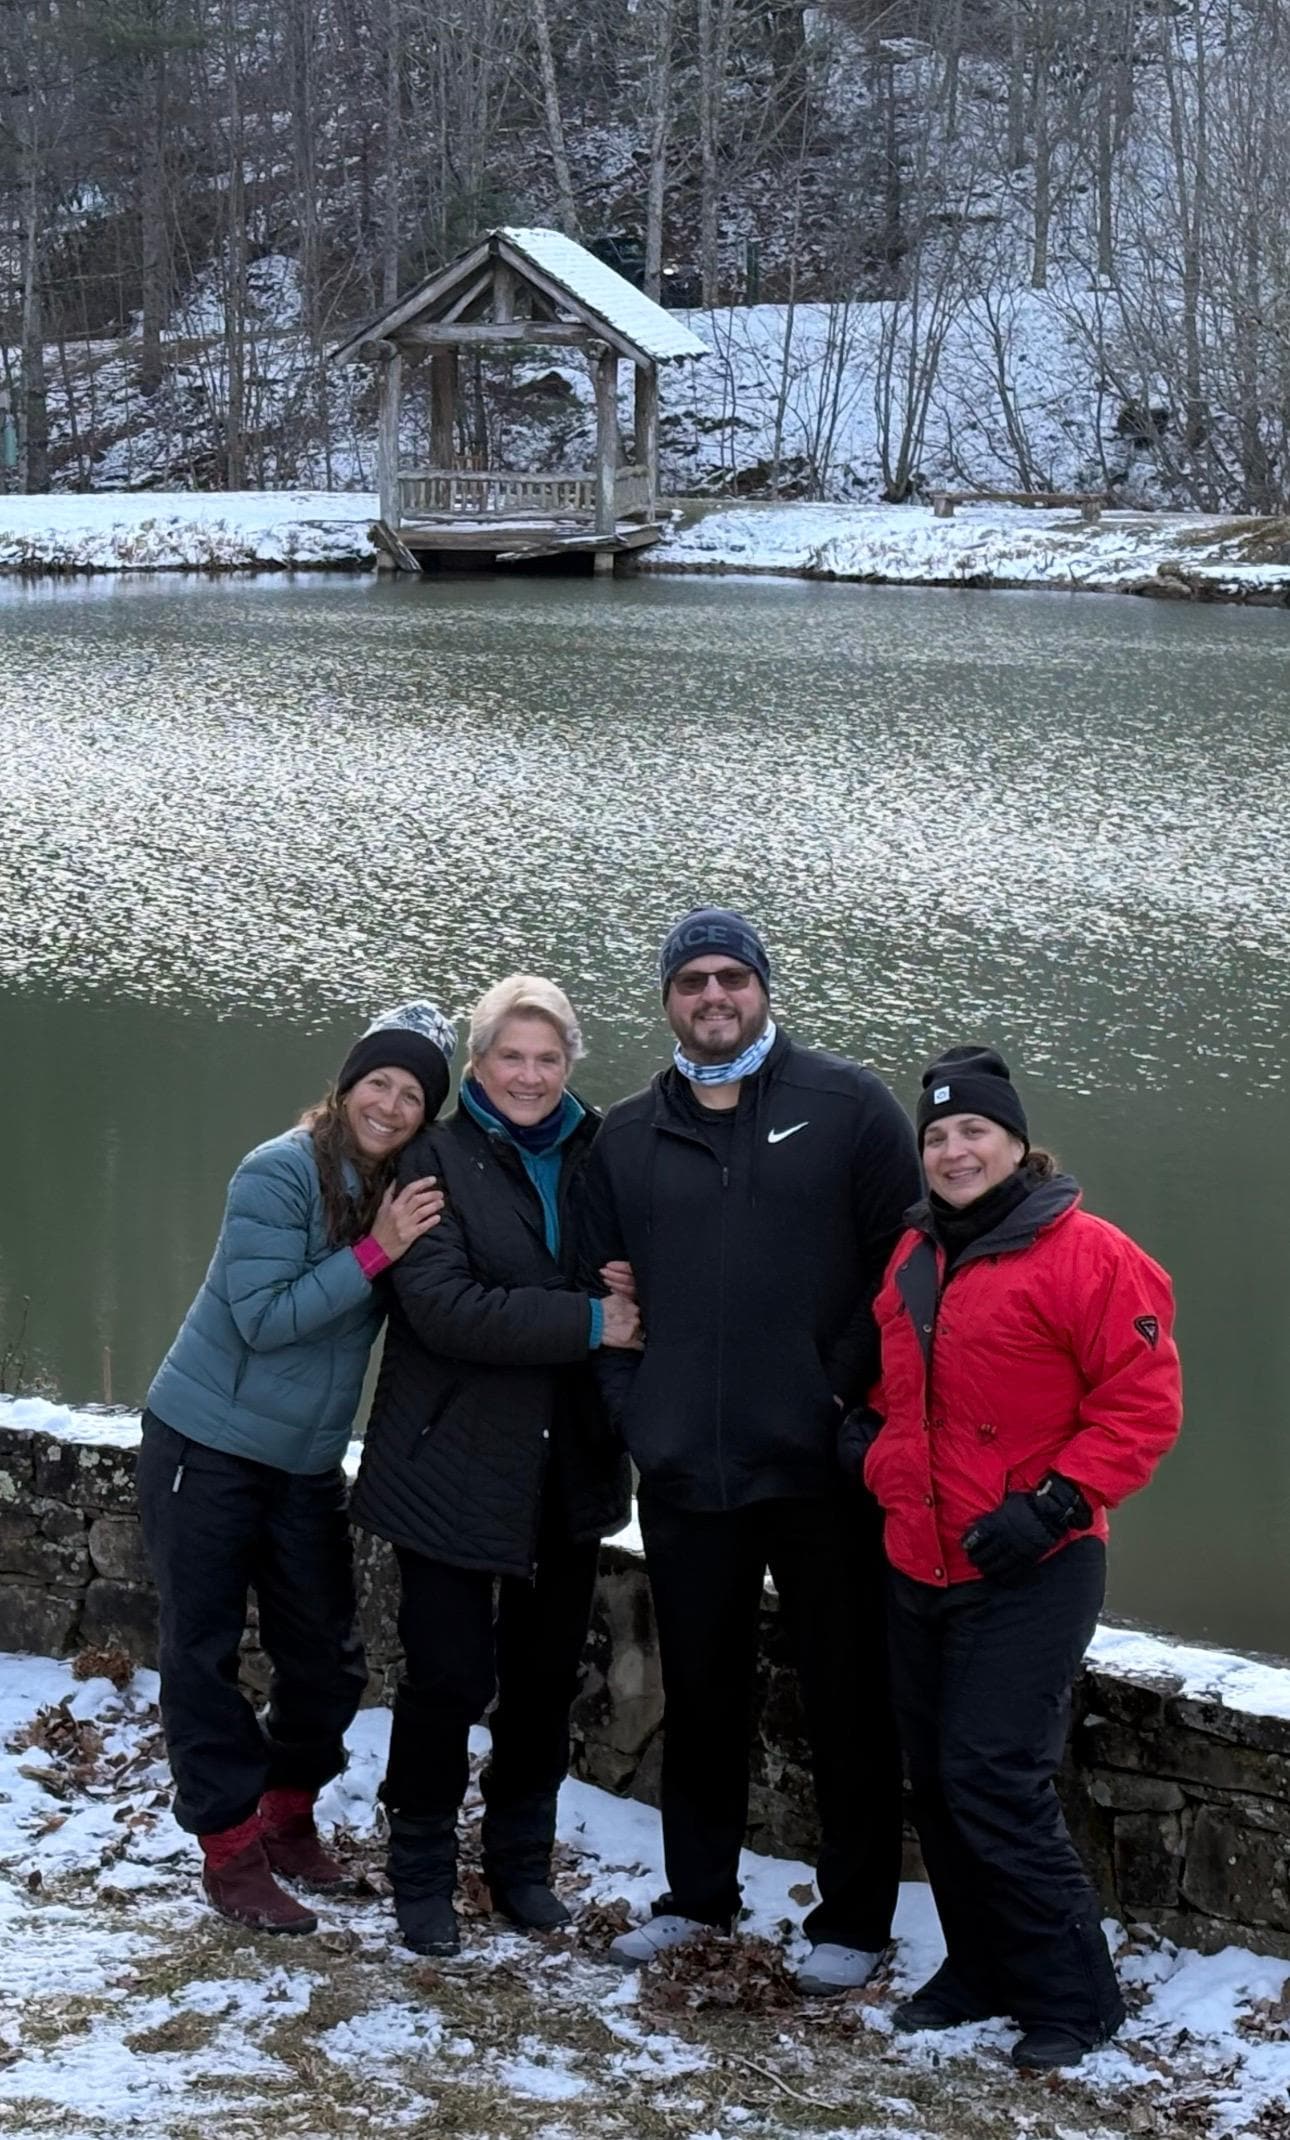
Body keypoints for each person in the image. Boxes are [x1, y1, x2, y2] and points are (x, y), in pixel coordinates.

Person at [580, 907, 921, 1993]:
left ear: (764, 987)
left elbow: (905, 1267)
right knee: (704, 1694)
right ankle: (696, 1899)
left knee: (846, 1699)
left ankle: (857, 1918)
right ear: (668, 1000)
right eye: (692, 982)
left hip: (821, 1471)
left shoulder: (848, 1107)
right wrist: (642, 1411)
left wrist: (835, 1391)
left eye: (732, 977)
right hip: (687, 1474)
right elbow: (601, 1294)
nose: (714, 996)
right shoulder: (624, 1137)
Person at [851, 1044, 1182, 2071]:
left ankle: (1074, 1994)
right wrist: (869, 1453)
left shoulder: (1091, 1254)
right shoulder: (914, 1258)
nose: (953, 1150)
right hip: (921, 1558)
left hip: (1032, 1566)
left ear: (1016, 1143)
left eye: (974, 1132)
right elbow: (900, 1398)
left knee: (993, 1777)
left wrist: (1056, 1503)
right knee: (938, 1783)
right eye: (937, 1135)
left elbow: (1144, 1403)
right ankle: (980, 1965)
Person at [137, 1002, 456, 1935]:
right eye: (379, 1083)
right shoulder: (278, 1171)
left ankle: (284, 1817)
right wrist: (379, 1249)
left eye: (412, 1094)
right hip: (206, 1446)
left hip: (306, 1465)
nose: (392, 1106)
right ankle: (230, 1852)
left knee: (326, 1662)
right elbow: (265, 1319)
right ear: (347, 1084)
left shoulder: (400, 1184)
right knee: (200, 1658)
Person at [349, 975, 641, 1958]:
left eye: (547, 1058)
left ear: (570, 1065)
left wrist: (633, 1290)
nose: (528, 1075)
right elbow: (444, 1306)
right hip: (451, 1460)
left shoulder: (601, 1151)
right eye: (509, 1056)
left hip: (567, 1465)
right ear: (476, 1063)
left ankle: (520, 1861)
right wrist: (595, 1318)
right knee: (446, 1676)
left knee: (544, 1678)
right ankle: (423, 1870)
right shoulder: (431, 1161)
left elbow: (643, 1268)